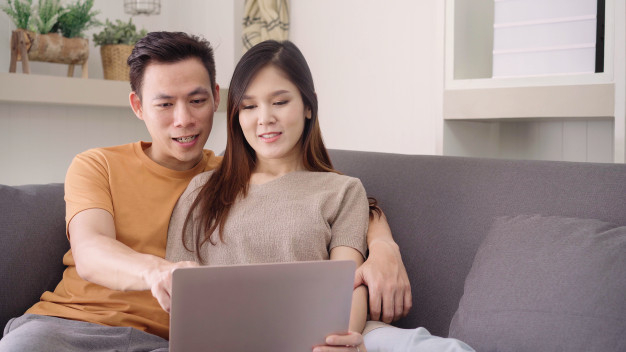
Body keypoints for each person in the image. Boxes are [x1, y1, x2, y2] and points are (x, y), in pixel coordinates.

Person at [0, 32, 411, 352]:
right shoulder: (98, 164)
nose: (184, 120)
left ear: (217, 99)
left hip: (162, 341)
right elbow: (90, 253)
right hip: (68, 327)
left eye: (197, 100)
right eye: (164, 105)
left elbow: (323, 195)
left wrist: (384, 245)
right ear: (138, 105)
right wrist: (156, 270)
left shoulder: (230, 177)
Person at [166, 40, 474, 352]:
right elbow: (177, 293)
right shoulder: (202, 191)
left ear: (308, 105)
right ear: (236, 115)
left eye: (280, 102)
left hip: (333, 340)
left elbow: (348, 286)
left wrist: (339, 342)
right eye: (249, 106)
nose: (264, 118)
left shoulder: (342, 190)